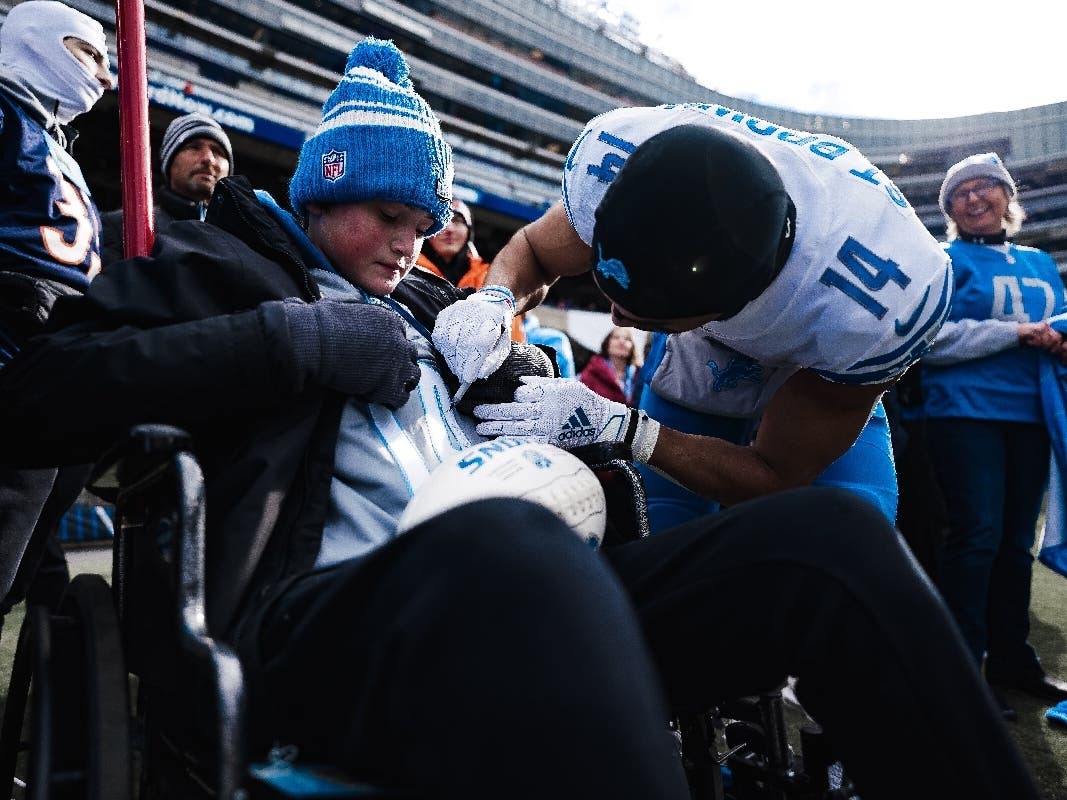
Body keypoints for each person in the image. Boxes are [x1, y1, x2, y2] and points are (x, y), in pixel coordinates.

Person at [0, 41, 1041, 800]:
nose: (409, 244)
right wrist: (292, 342)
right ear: (319, 193)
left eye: (423, 222)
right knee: (501, 543)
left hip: (519, 586)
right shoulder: (223, 269)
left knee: (832, 540)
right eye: (384, 214)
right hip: (317, 615)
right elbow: (33, 392)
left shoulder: (421, 310)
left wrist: (549, 408)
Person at [435, 104, 953, 532]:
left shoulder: (882, 299)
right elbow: (537, 250)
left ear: (735, 306)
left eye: (651, 317)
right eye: (611, 292)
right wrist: (495, 299)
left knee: (851, 534)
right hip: (707, 350)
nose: (619, 321)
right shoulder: (617, 156)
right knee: (659, 530)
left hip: (818, 362)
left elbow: (776, 473)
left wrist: (628, 428)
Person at [913, 152, 1067, 716]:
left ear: (1008, 196)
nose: (975, 198)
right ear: (949, 209)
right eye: (961, 192)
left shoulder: (1041, 261)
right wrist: (1017, 333)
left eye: (986, 188)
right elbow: (928, 338)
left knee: (1012, 546)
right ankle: (961, 669)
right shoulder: (941, 259)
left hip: (1033, 415)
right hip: (965, 412)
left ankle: (1011, 660)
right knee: (976, 537)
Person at [0, 0, 112, 623]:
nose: (101, 75)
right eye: (87, 52)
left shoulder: (53, 142)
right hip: (14, 332)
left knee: (25, 537)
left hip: (57, 351)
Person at [99, 111, 234, 263]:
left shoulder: (241, 243)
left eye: (218, 152)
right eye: (194, 147)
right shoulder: (123, 227)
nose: (209, 159)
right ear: (169, 163)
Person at [416, 196, 525, 341]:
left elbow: (512, 337)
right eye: (441, 220)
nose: (448, 228)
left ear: (469, 232)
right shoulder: (408, 269)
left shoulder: (490, 277)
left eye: (457, 221)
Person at [580, 325, 642, 404]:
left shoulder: (640, 375)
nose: (621, 341)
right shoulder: (592, 373)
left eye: (627, 339)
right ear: (607, 344)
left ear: (633, 347)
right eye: (616, 337)